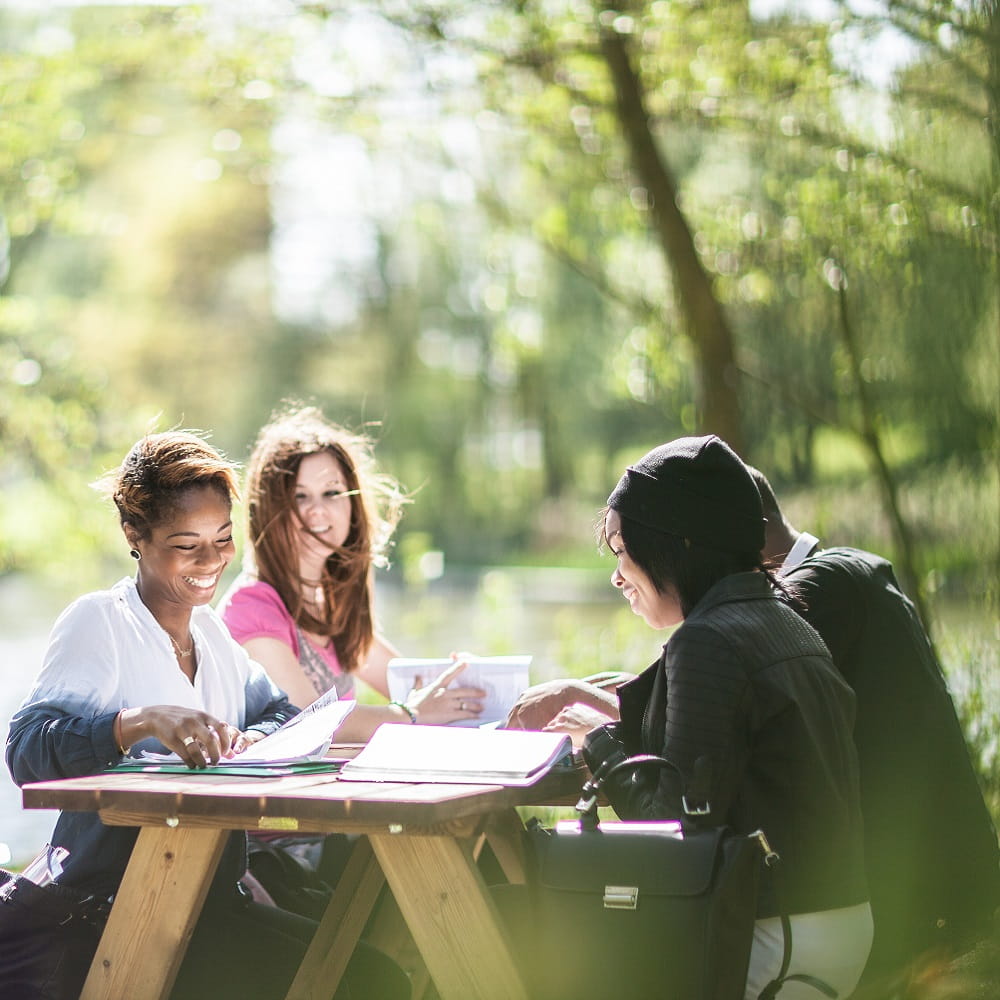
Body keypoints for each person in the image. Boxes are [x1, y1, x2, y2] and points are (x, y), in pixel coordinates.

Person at [3, 431, 407, 1000]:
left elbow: (283, 712)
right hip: (114, 913)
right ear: (134, 535)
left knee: (373, 972)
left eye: (222, 539)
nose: (211, 561)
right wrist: (137, 722)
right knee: (366, 982)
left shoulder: (212, 634)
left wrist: (249, 739)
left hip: (207, 905)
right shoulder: (102, 622)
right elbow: (26, 751)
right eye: (185, 543)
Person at [580, 436, 873, 999]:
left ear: (677, 543)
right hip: (836, 918)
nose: (617, 576)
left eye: (622, 548)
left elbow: (673, 830)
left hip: (778, 933)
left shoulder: (708, 641)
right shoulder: (783, 618)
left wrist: (596, 747)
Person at [748, 466, 1000, 983]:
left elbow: (735, 688)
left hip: (915, 892)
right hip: (940, 869)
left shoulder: (814, 590)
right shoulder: (848, 568)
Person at [218, 405, 484, 736]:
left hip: (334, 783)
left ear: (352, 505)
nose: (317, 511)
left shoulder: (333, 597)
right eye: (299, 497)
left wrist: (465, 680)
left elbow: (410, 685)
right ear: (269, 510)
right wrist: (409, 715)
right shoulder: (251, 606)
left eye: (332, 493)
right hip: (274, 787)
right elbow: (310, 721)